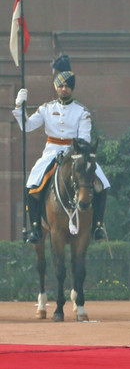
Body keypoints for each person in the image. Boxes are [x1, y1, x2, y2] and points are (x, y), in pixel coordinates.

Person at [14, 54, 110, 243]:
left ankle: (97, 226)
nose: (63, 89)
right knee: (32, 183)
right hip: (51, 151)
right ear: (56, 88)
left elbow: (84, 138)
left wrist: (72, 154)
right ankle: (35, 229)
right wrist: (19, 106)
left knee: (102, 183)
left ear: (71, 88)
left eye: (66, 86)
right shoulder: (46, 109)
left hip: (75, 153)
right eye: (60, 86)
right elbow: (27, 126)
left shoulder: (82, 112)